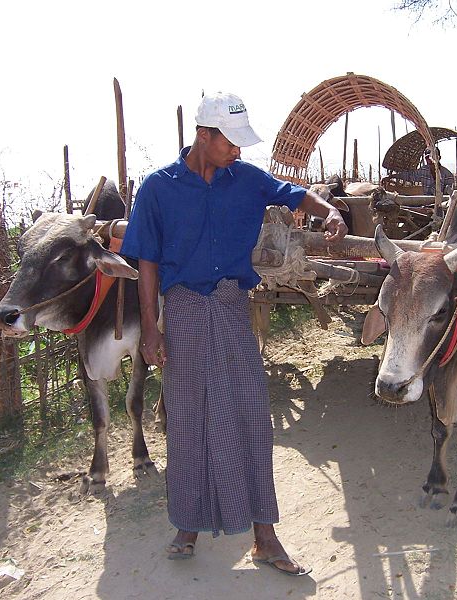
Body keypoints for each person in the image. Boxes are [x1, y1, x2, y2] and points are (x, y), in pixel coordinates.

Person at [120, 91, 347, 575]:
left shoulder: (245, 179)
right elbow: (146, 262)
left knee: (249, 415)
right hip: (181, 313)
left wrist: (329, 211)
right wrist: (151, 329)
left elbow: (291, 192)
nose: (238, 151)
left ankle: (265, 535)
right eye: (230, 142)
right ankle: (188, 523)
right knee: (187, 418)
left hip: (230, 308)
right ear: (203, 136)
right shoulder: (158, 189)